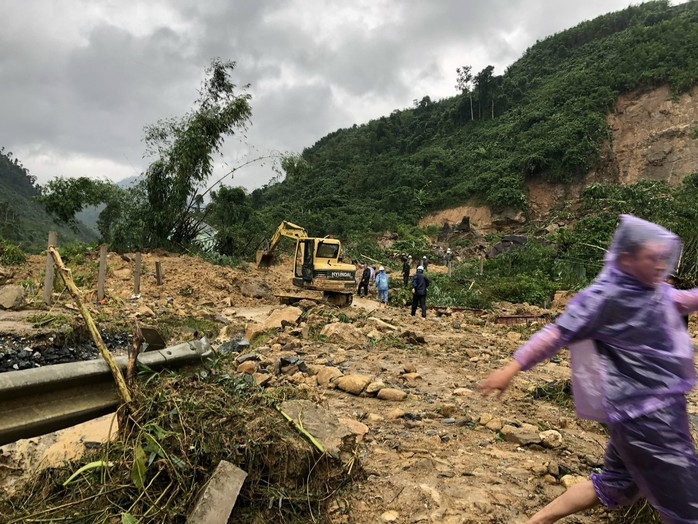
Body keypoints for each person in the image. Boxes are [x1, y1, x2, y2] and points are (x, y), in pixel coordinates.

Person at [478, 215, 698, 524]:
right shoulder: (603, 298)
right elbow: (556, 334)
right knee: (689, 509)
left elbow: (686, 300)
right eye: (653, 258)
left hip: (640, 414)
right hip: (649, 419)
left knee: (615, 484)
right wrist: (512, 367)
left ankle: (534, 521)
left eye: (663, 257)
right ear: (627, 257)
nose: (661, 265)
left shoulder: (653, 291)